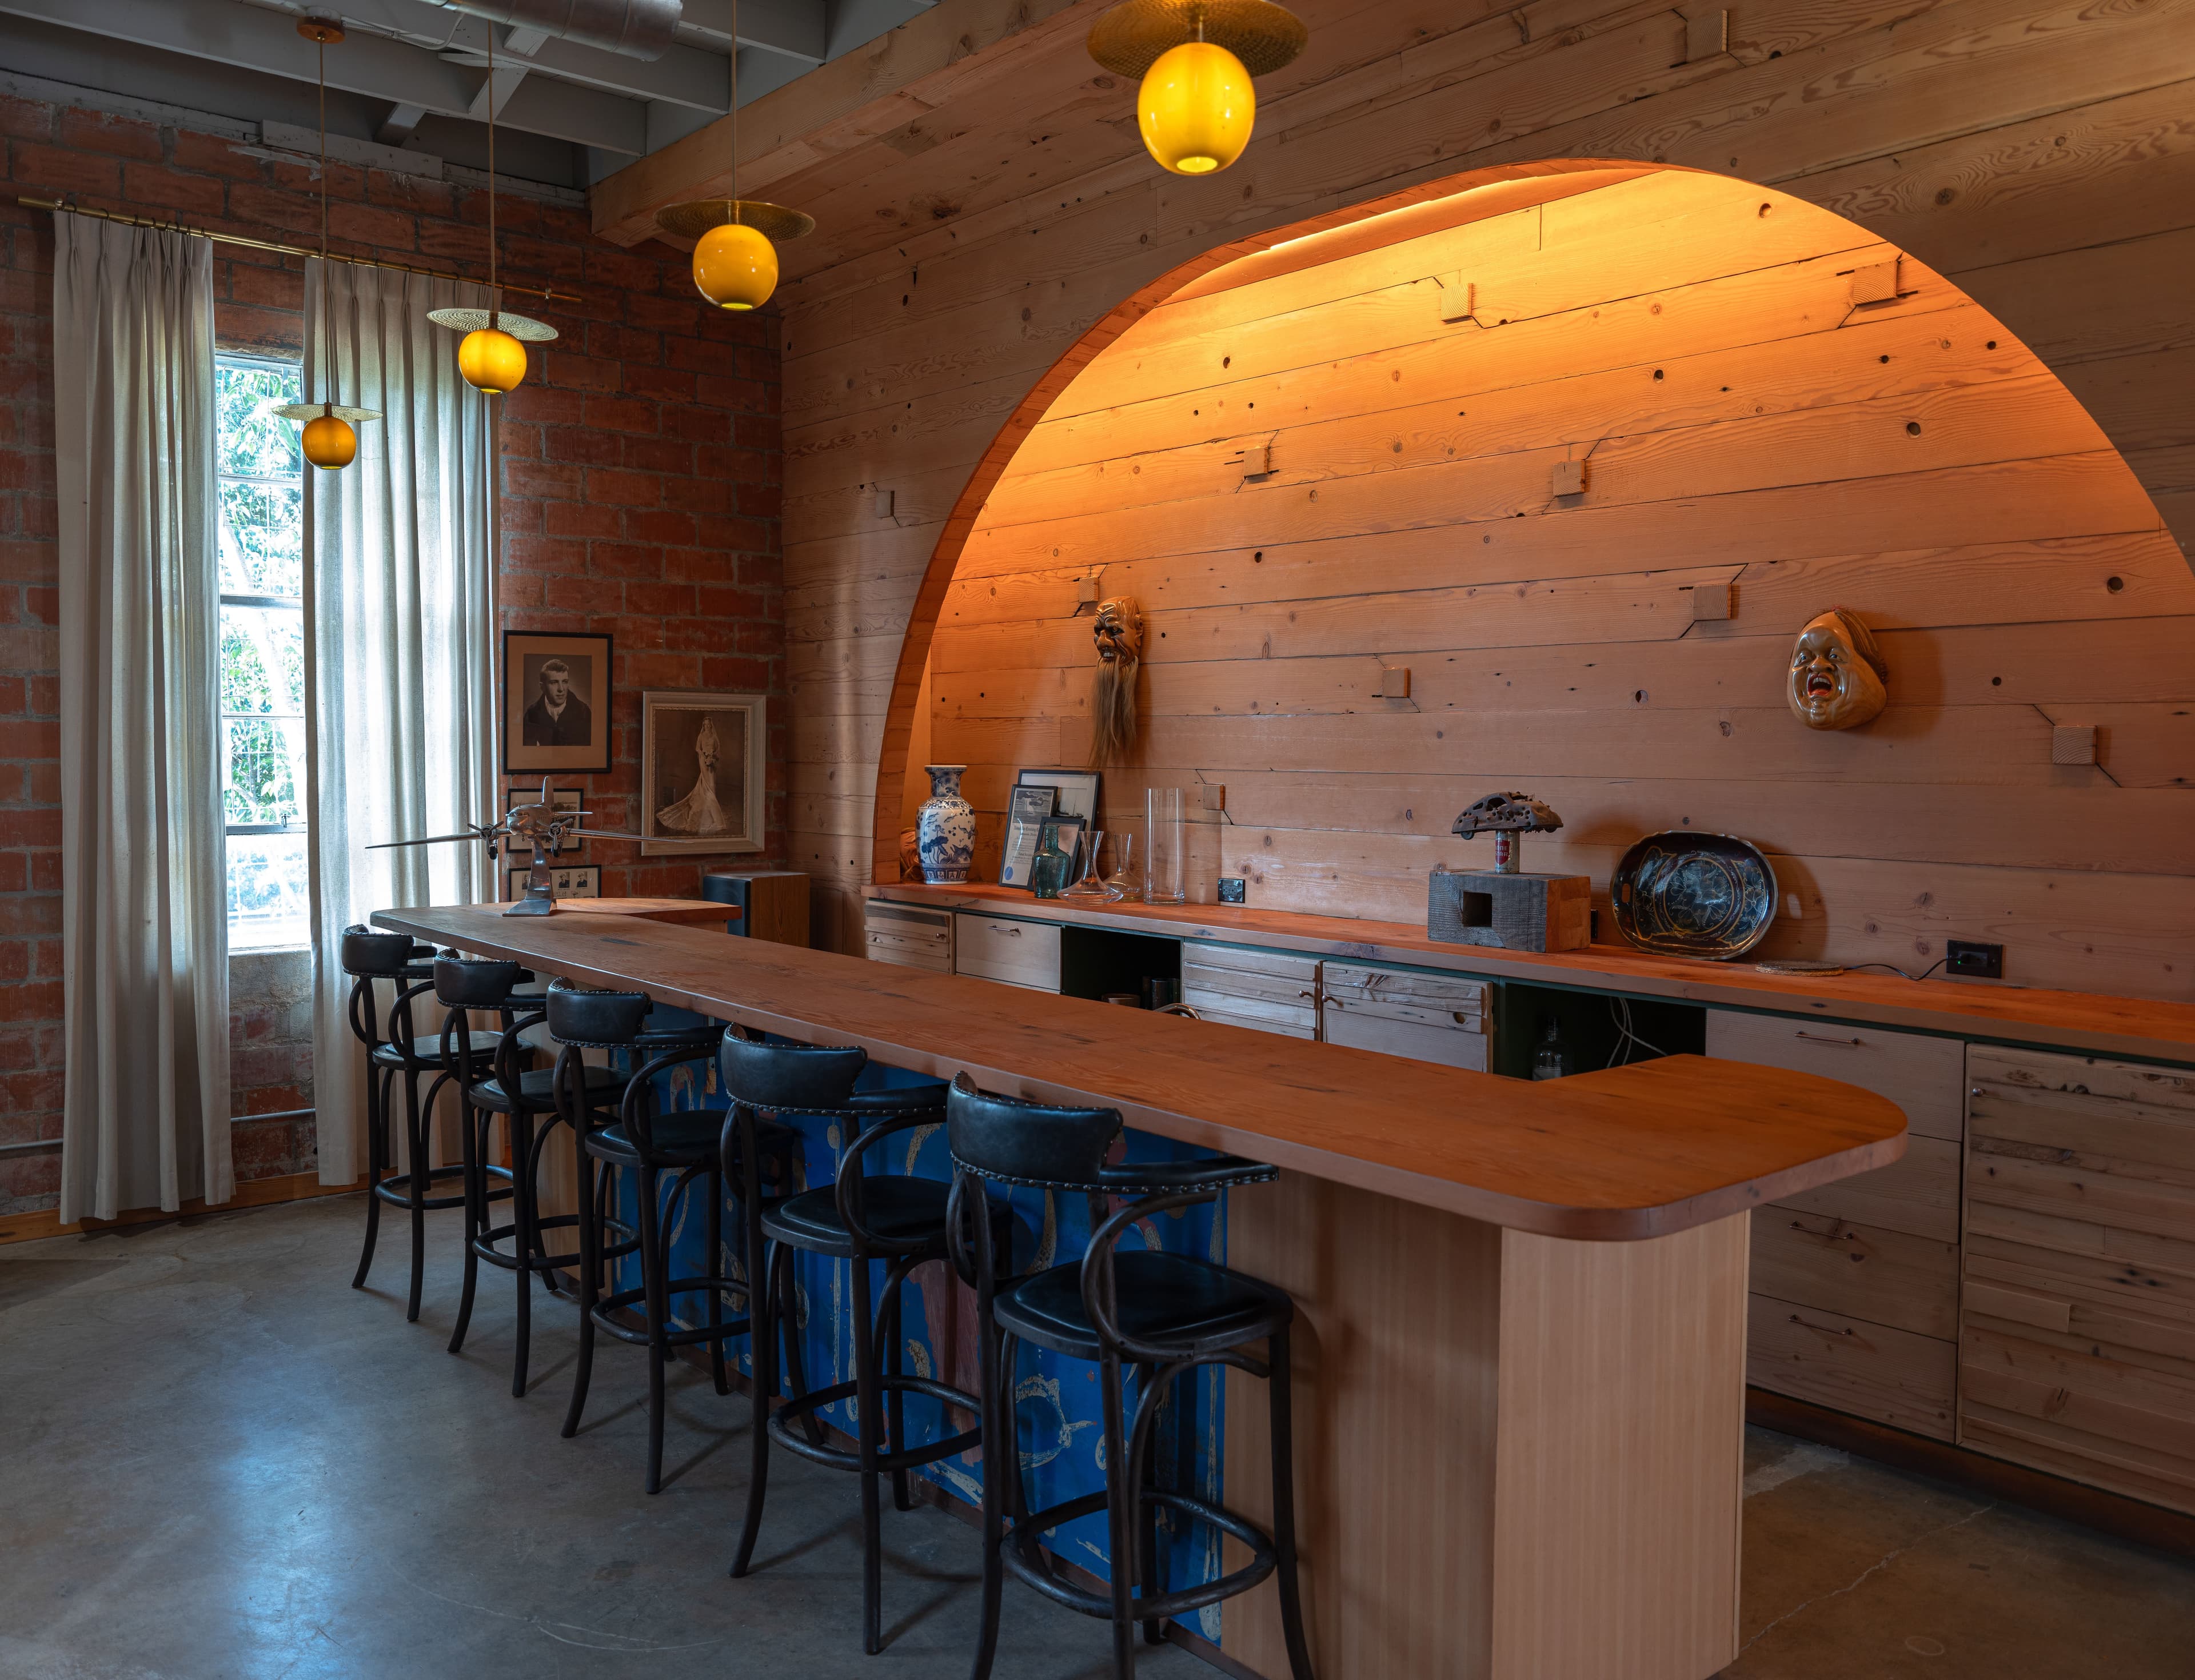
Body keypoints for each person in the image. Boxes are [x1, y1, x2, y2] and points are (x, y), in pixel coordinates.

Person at [656, 715, 729, 835]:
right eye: (705, 725)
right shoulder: (702, 736)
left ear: (711, 725)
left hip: (711, 762)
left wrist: (712, 756)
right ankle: (718, 822)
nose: (707, 727)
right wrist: (704, 754)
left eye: (708, 725)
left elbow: (718, 751)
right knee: (708, 787)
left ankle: (710, 818)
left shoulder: (714, 737)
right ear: (703, 726)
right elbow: (697, 748)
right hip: (703, 760)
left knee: (711, 787)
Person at [522, 658, 592, 747]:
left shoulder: (583, 712)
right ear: (542, 687)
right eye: (554, 682)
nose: (561, 689)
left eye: (565, 682)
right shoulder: (531, 714)